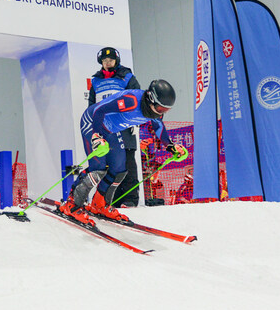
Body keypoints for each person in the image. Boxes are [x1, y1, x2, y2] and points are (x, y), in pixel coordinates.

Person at [60, 79, 187, 226]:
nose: (162, 112)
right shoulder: (131, 101)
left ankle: (100, 204)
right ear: (151, 99)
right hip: (93, 122)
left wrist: (170, 146)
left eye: (166, 110)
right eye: (160, 108)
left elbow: (158, 126)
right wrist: (96, 136)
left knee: (119, 169)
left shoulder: (155, 112)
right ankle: (72, 205)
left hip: (111, 130)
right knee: (98, 168)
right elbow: (99, 111)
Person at [89, 46, 141, 207]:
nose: (107, 63)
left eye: (110, 60)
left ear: (116, 61)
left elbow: (137, 98)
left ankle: (130, 199)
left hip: (124, 125)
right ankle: (112, 200)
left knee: (128, 162)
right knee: (110, 163)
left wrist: (135, 121)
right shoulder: (95, 81)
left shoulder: (127, 77)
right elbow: (92, 105)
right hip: (105, 127)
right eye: (104, 60)